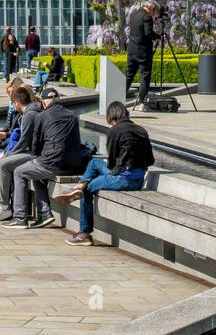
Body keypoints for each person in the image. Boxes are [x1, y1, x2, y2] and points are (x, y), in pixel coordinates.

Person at [59, 102, 155, 246]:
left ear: (112, 118)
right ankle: (79, 185)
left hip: (123, 179)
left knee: (88, 188)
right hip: (138, 178)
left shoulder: (114, 131)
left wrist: (108, 174)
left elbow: (111, 163)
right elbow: (150, 160)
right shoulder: (141, 130)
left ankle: (84, 233)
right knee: (94, 163)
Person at [3, 88, 83, 230]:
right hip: (73, 165)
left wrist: (38, 157)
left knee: (20, 172)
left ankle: (20, 217)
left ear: (44, 103)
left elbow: (35, 145)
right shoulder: (72, 116)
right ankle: (45, 214)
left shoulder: (41, 116)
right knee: (34, 172)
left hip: (52, 163)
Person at [0, 84, 44, 221]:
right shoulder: (31, 112)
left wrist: (6, 156)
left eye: (13, 103)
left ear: (17, 102)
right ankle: (6, 205)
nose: (13, 106)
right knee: (3, 162)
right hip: (34, 151)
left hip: (35, 154)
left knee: (2, 165)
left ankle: (4, 207)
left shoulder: (29, 115)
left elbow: (24, 142)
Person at [126, 1, 158, 109]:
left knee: (129, 75)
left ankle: (118, 98)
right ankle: (141, 103)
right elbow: (148, 33)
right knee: (145, 75)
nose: (154, 14)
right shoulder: (147, 17)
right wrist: (157, 36)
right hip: (143, 51)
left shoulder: (133, 14)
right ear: (151, 8)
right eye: (154, 12)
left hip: (131, 49)